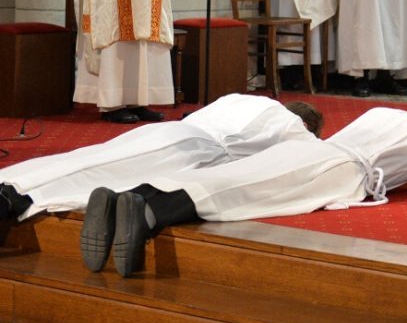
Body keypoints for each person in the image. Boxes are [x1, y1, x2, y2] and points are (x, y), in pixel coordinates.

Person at [81, 108, 407, 277]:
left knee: (239, 175)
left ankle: (134, 196)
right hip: (337, 169)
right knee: (243, 193)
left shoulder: (384, 112)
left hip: (310, 150)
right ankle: (149, 214)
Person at [0, 94, 322, 222]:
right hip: (193, 150)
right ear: (305, 123)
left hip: (170, 133)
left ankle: (11, 183)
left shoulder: (243, 98)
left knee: (89, 158)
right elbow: (310, 155)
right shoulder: (293, 127)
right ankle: (18, 198)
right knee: (105, 176)